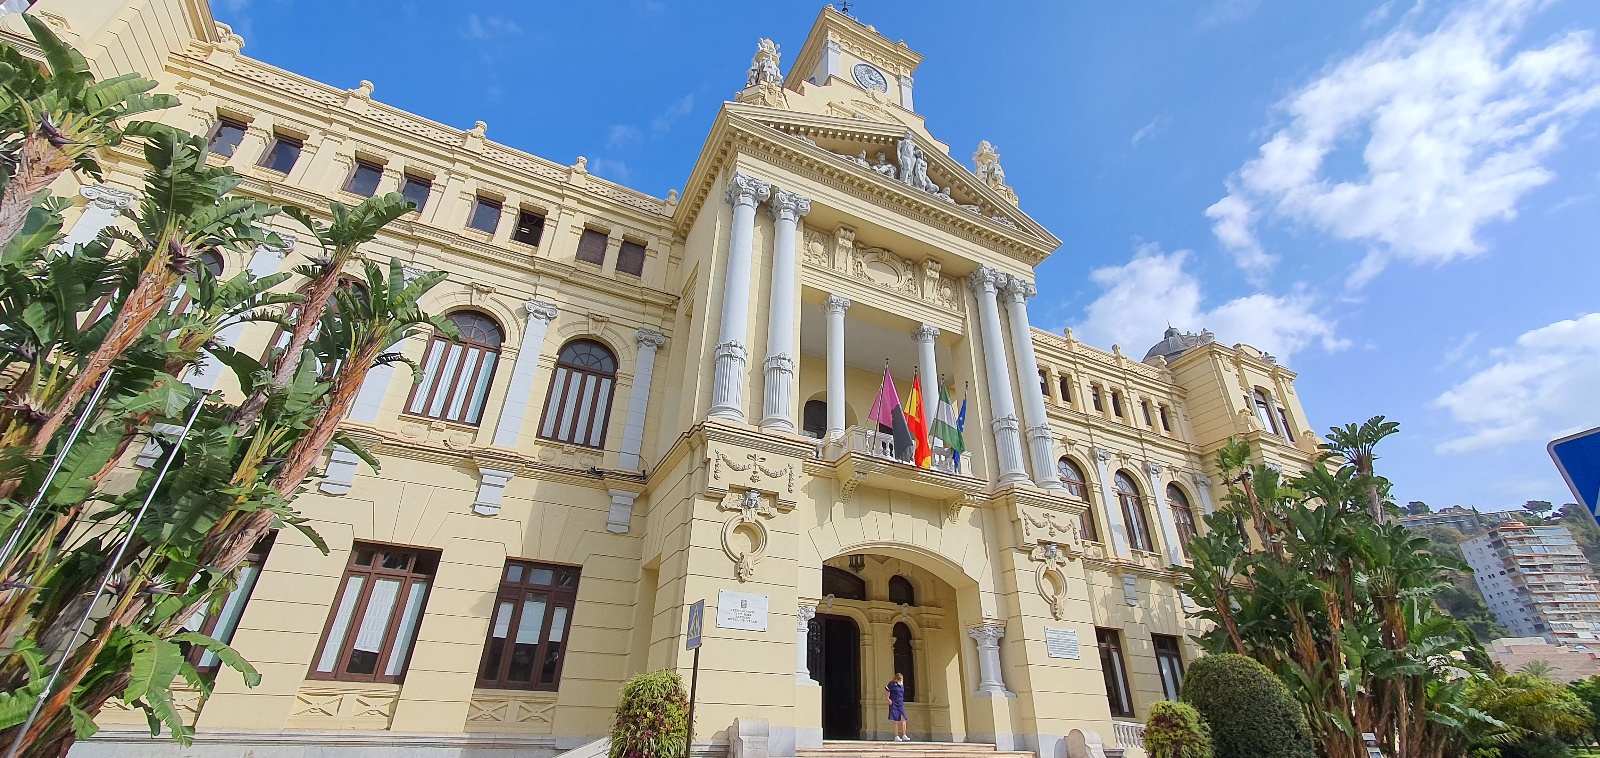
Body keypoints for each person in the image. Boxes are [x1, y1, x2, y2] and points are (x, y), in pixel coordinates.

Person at [885, 673, 909, 741]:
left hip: (900, 703)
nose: (901, 680)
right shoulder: (892, 684)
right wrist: (888, 698)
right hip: (894, 703)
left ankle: (904, 735)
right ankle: (896, 736)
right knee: (896, 720)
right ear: (897, 679)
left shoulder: (901, 685)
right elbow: (886, 690)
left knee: (904, 719)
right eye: (900, 679)